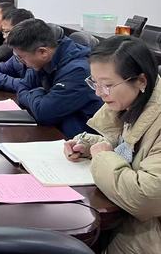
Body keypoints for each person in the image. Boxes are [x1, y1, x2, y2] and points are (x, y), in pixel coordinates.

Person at [64, 36, 161, 254]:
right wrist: (89, 146)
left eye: (107, 85)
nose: (98, 93)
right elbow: (130, 150)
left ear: (141, 81)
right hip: (128, 221)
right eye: (94, 83)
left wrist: (102, 157)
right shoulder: (134, 102)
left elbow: (146, 197)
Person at [6, 18, 102, 137]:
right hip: (57, 132)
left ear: (43, 52)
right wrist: (41, 95)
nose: (21, 62)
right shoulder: (41, 62)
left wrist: (37, 92)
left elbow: (43, 113)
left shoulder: (78, 71)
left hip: (80, 140)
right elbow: (22, 87)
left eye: (21, 57)